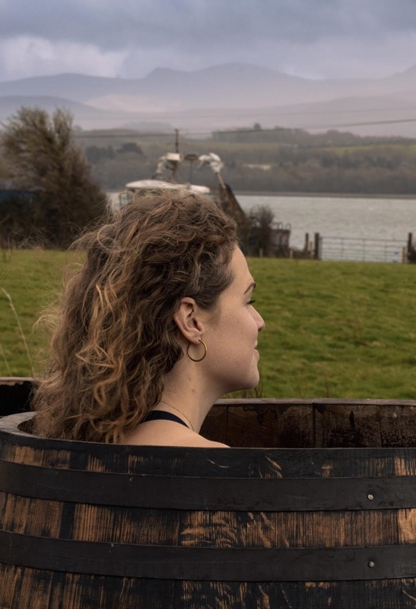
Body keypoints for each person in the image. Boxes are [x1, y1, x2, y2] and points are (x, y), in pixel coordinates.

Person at [32, 190, 264, 447]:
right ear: (191, 320)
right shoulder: (215, 468)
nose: (259, 322)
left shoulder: (89, 445)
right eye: (248, 301)